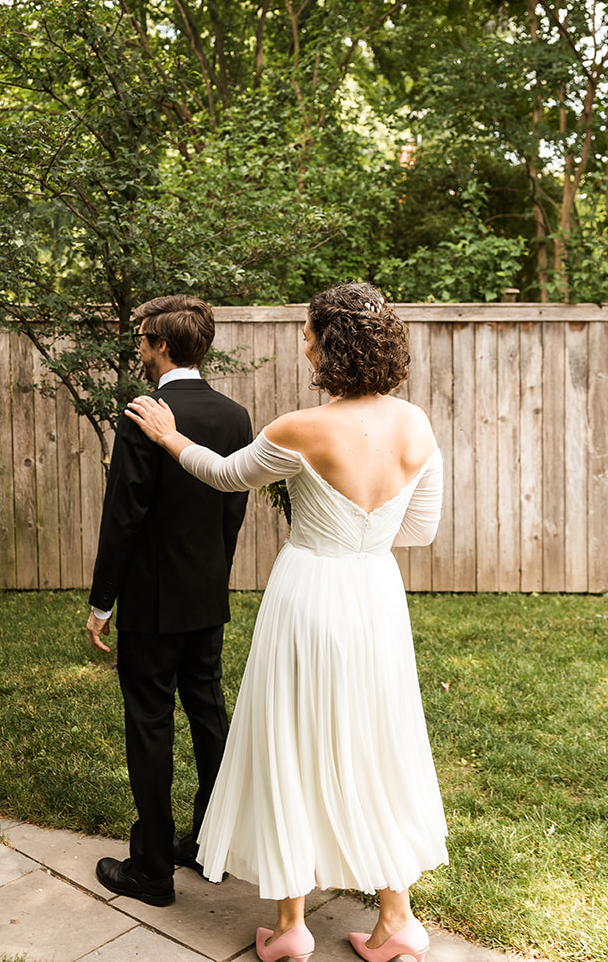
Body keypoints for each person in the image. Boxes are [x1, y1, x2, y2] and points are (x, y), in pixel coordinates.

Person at [123, 281, 447, 962]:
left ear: (329, 345)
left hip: (308, 596)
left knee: (290, 742)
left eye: (308, 332)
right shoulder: (416, 426)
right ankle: (397, 918)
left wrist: (170, 435)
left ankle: (292, 922)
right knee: (375, 743)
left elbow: (223, 473)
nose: (302, 340)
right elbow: (419, 529)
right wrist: (367, 531)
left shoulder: (301, 428)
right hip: (376, 597)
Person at [86, 294, 254, 908]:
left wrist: (103, 601)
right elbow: (231, 507)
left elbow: (123, 518)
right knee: (208, 712)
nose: (137, 347)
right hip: (208, 593)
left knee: (150, 722)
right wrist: (214, 572)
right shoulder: (236, 416)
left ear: (160, 346)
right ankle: (212, 844)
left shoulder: (145, 413)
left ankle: (152, 869)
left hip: (153, 601)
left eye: (142, 339)